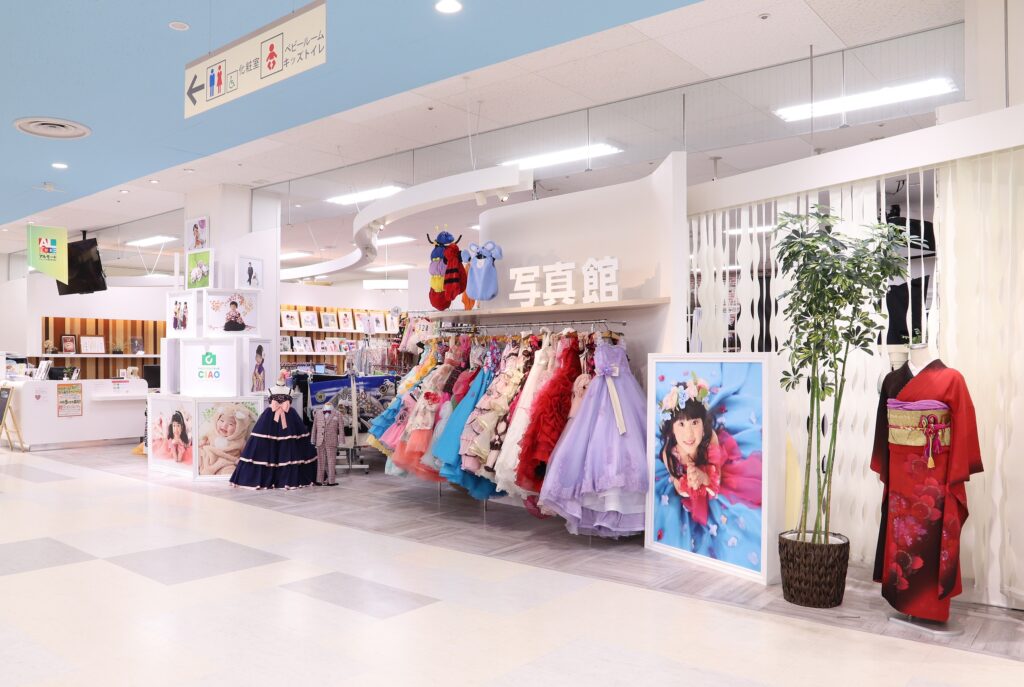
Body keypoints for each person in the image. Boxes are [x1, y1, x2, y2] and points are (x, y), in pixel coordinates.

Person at [654, 372, 763, 571]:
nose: (689, 433)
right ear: (672, 429)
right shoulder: (670, 453)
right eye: (681, 424)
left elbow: (716, 479)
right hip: (688, 476)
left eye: (694, 423)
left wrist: (703, 476)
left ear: (702, 424)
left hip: (708, 465)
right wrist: (688, 482)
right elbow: (678, 486)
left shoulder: (709, 439)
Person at [199, 403, 256, 476]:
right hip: (210, 459)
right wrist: (203, 442)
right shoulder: (212, 433)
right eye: (222, 421)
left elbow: (246, 453)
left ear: (238, 428)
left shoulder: (240, 441)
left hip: (228, 463)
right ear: (216, 420)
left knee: (230, 472)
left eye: (230, 424)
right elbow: (205, 438)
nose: (224, 426)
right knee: (200, 455)